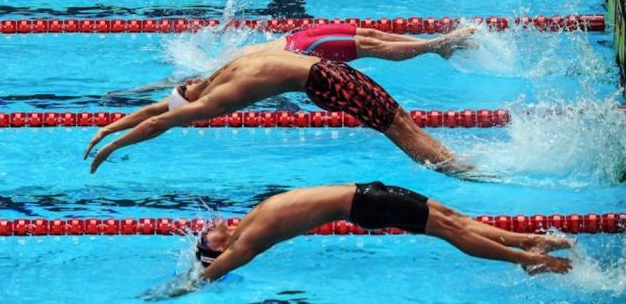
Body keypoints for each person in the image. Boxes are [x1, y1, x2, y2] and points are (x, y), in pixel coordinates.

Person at [145, 182, 573, 298]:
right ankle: (525, 260)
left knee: (452, 217)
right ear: (218, 246)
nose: (212, 222)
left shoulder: (247, 224)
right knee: (451, 231)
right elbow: (222, 267)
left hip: (367, 191)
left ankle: (528, 240)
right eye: (208, 232)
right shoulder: (248, 240)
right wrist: (187, 285)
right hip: (365, 205)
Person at [84, 51, 470, 175]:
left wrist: (112, 146)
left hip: (328, 83)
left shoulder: (221, 98)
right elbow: (163, 108)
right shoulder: (216, 75)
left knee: (398, 130)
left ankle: (459, 169)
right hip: (332, 71)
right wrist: (107, 129)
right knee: (399, 122)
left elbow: (159, 121)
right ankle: (456, 162)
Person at [243, 23, 477, 62]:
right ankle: (437, 45)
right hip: (298, 49)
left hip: (294, 38)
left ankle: (437, 45)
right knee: (368, 46)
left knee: (369, 34)